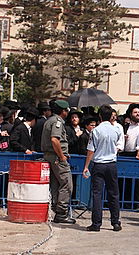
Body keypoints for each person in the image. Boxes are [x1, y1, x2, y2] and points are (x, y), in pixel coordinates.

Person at [82, 104, 124, 232]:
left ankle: (96, 223)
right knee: (114, 194)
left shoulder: (96, 131)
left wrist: (86, 166)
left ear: (99, 116)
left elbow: (91, 150)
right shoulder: (116, 130)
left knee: (97, 194)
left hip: (99, 164)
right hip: (111, 164)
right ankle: (115, 222)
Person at [41, 99, 74, 224]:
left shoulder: (50, 120)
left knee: (56, 185)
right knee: (67, 184)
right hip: (56, 158)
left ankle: (57, 210)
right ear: (63, 111)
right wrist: (62, 156)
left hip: (51, 156)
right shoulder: (57, 122)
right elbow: (55, 140)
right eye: (66, 110)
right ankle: (61, 212)